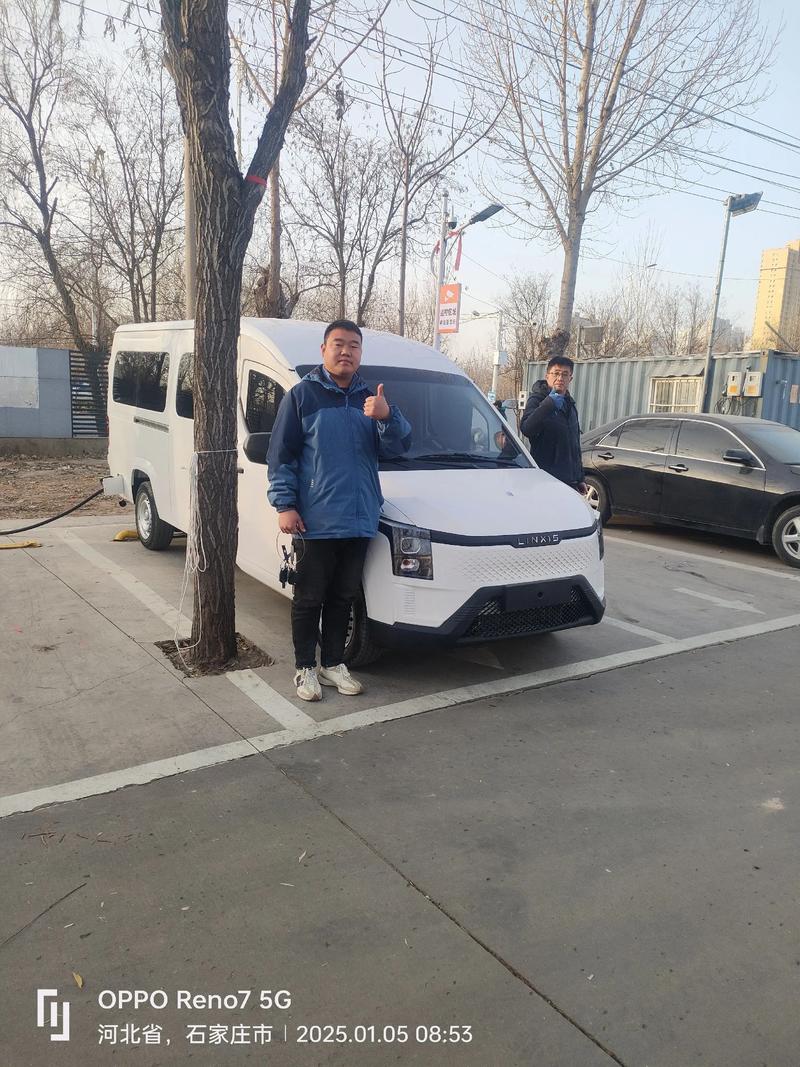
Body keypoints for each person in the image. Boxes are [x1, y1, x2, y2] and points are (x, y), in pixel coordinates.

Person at [267, 320, 411, 702]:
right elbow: (281, 456)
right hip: (315, 520)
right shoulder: (302, 396)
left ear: (361, 352)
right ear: (323, 350)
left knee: (343, 597)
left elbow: (399, 448)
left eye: (354, 345)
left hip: (360, 518)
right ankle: (305, 668)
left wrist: (387, 417)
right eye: (338, 344)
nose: (346, 351)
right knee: (309, 598)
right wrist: (285, 504)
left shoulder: (371, 399)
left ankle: (332, 663)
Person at [520, 355, 587, 494]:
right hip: (546, 480)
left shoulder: (570, 404)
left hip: (569, 481)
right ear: (547, 376)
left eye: (565, 374)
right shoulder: (537, 400)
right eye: (556, 373)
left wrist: (580, 477)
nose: (560, 378)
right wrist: (548, 404)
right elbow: (527, 428)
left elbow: (574, 444)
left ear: (570, 379)